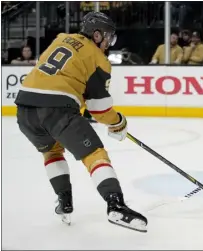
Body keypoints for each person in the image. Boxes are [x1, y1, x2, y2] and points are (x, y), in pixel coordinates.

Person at [14, 11, 147, 232]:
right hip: (56, 110)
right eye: (107, 36)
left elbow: (60, 76)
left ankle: (64, 202)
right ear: (96, 35)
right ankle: (116, 205)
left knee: (52, 151)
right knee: (94, 154)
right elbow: (100, 110)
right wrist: (118, 122)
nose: (108, 42)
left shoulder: (60, 38)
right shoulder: (98, 59)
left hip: (24, 109)